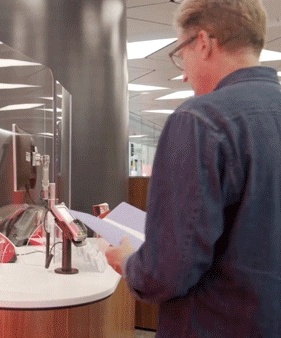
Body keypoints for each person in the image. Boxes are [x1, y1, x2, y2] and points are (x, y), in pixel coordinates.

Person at [106, 0, 281, 336]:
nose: (183, 73)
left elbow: (165, 271)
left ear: (203, 42)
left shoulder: (199, 121)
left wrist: (127, 260)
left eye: (181, 53)